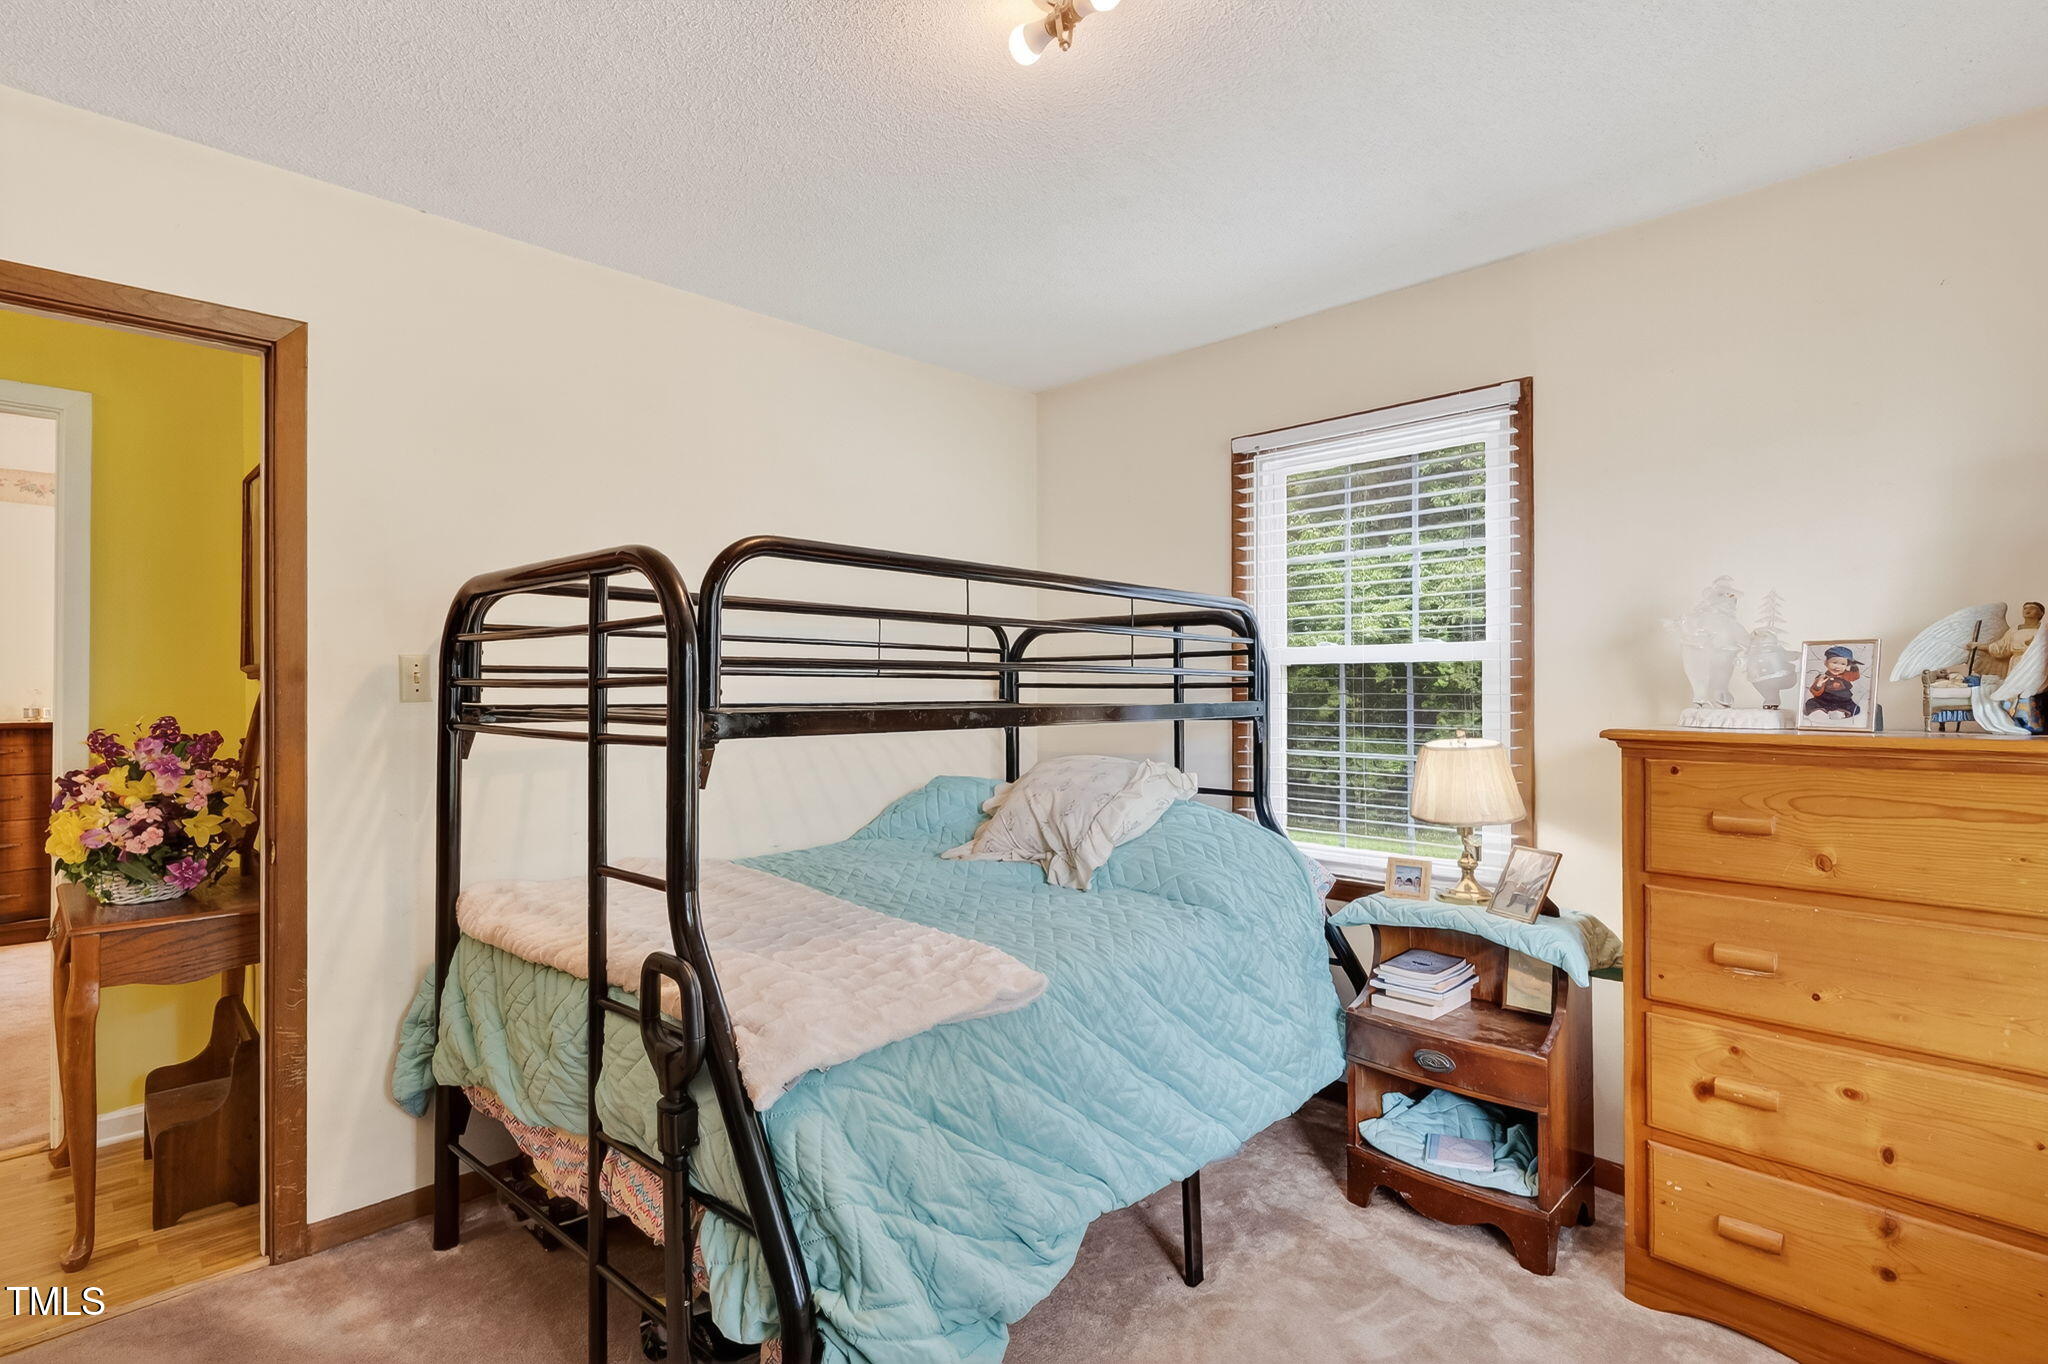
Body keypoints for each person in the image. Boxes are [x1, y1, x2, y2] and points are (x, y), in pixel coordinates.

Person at [1803, 645, 1865, 718]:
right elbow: (1815, 692)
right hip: (1824, 701)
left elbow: (1855, 676)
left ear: (1847, 666)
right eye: (1834, 662)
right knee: (1810, 703)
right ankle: (1820, 712)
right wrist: (1819, 684)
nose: (1838, 667)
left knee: (1855, 708)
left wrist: (1853, 666)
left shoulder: (1846, 675)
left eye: (1843, 664)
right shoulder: (1822, 677)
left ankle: (1841, 713)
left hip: (1843, 701)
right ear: (1826, 663)